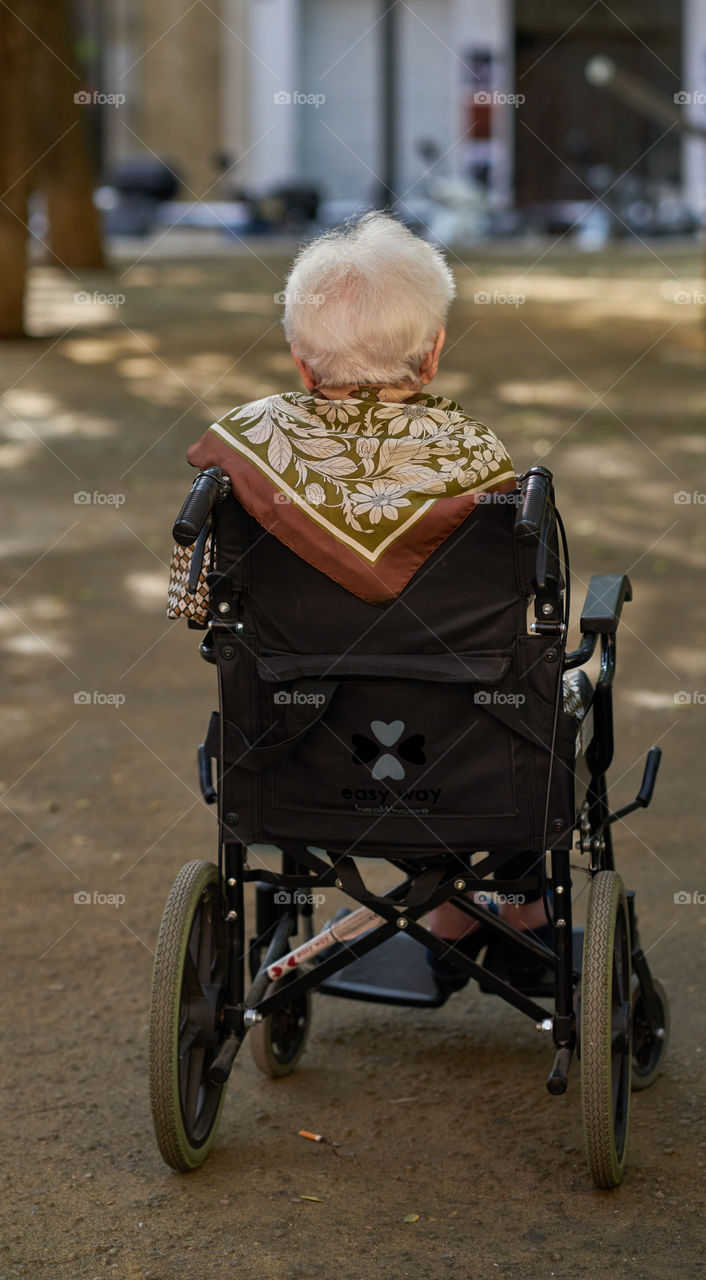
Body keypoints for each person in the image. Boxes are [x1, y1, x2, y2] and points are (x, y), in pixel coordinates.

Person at [186, 212, 553, 988]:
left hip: (295, 743)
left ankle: (457, 909)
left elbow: (195, 609)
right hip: (461, 754)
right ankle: (504, 905)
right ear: (433, 350)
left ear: (300, 361)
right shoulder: (479, 456)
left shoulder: (241, 454)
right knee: (545, 692)